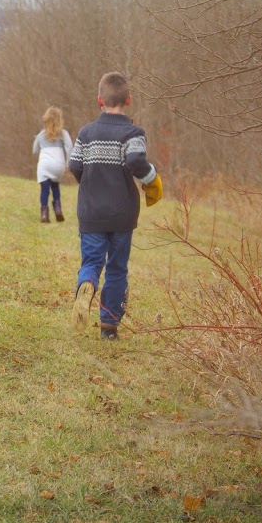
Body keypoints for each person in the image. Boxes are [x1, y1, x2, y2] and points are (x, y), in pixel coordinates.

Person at [68, 72, 163, 340]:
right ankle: (109, 327)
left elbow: (75, 165)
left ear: (100, 100)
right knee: (117, 267)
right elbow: (136, 161)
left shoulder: (86, 133)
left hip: (91, 211)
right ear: (128, 100)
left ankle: (86, 284)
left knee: (92, 261)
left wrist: (88, 184)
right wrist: (152, 179)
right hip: (122, 213)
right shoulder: (134, 133)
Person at [32, 106, 74, 223]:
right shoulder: (63, 134)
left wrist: (38, 141)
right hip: (58, 165)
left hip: (45, 165)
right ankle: (58, 209)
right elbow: (70, 147)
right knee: (55, 186)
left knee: (44, 190)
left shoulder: (41, 134)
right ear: (60, 120)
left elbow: (35, 150)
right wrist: (68, 164)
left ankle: (44, 214)